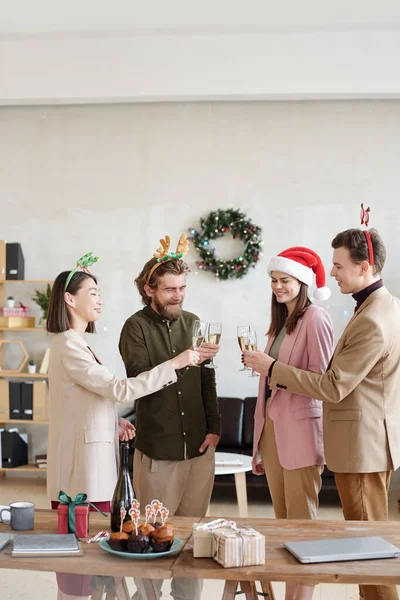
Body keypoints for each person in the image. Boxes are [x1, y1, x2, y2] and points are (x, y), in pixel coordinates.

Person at [244, 228, 400, 600]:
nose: (331, 274)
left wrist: (271, 368)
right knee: (362, 545)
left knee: (368, 548)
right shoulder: (375, 306)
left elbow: (330, 385)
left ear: (364, 266)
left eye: (338, 266)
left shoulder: (369, 318)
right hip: (351, 441)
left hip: (362, 445)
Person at [46, 254, 200, 510]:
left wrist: (110, 421)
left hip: (91, 460)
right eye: (93, 293)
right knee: (88, 534)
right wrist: (175, 363)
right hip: (83, 466)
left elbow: (80, 399)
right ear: (70, 299)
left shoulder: (74, 343)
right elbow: (119, 389)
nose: (100, 300)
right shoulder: (68, 345)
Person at [119, 234, 221, 600]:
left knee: (195, 540)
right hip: (158, 451)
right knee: (152, 536)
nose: (177, 295)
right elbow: (139, 381)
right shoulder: (135, 327)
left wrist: (215, 429)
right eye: (169, 290)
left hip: (199, 449)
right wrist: (182, 360)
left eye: (182, 288)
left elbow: (207, 377)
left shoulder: (193, 321)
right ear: (149, 289)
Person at [252, 246, 334, 600]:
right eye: (274, 280)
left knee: (302, 527)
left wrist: (269, 367)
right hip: (273, 429)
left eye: (284, 280)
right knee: (284, 526)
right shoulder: (281, 323)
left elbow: (320, 381)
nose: (278, 287)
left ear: (301, 282)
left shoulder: (315, 317)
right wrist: (258, 444)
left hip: (301, 430)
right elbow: (270, 385)